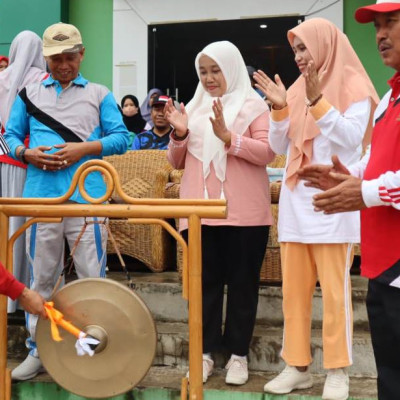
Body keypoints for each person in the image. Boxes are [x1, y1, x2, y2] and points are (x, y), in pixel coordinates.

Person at [253, 18, 379, 400]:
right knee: (293, 295)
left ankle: (338, 369)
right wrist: (278, 109)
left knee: (336, 297)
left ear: (324, 45)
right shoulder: (293, 89)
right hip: (295, 206)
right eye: (295, 50)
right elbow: (279, 144)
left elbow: (350, 138)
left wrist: (316, 100)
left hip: (333, 208)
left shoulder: (354, 86)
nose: (298, 57)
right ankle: (297, 366)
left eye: (304, 48)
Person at [4, 22, 130, 381]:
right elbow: (9, 137)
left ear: (82, 55)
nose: (63, 65)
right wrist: (28, 154)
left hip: (87, 201)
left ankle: (96, 348)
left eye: (70, 57)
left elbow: (123, 138)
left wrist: (84, 149)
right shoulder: (28, 93)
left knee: (94, 278)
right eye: (56, 58)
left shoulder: (100, 93)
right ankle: (38, 349)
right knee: (41, 280)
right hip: (42, 200)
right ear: (46, 58)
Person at [297, 3, 400, 399]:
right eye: (377, 25)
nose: (380, 34)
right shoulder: (390, 99)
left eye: (391, 22)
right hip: (384, 265)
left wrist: (365, 191)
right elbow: (376, 161)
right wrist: (348, 176)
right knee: (390, 376)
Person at [165, 40, 274, 386]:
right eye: (203, 72)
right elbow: (176, 161)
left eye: (216, 71)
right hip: (198, 212)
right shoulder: (194, 107)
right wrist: (180, 134)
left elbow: (268, 152)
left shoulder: (254, 106)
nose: (209, 78)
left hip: (244, 214)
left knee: (243, 286)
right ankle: (206, 352)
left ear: (231, 69)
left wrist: (229, 137)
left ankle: (239, 355)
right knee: (203, 286)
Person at [0, 31, 48, 313]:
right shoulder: (42, 81)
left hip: (2, 159)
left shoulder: (1, 79)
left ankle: (5, 298)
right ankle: (24, 292)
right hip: (29, 162)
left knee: (3, 227)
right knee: (24, 226)